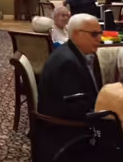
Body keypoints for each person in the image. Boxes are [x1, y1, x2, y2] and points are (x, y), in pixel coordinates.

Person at [36, 14, 103, 161]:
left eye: (100, 33)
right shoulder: (67, 63)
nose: (100, 39)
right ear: (76, 34)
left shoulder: (77, 53)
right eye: (94, 34)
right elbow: (77, 108)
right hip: (65, 131)